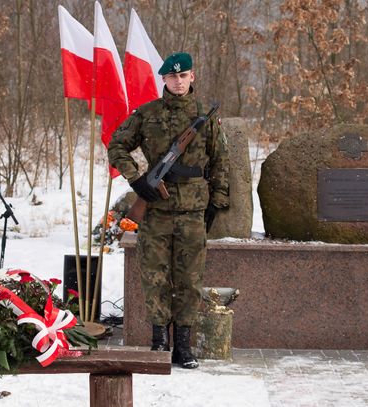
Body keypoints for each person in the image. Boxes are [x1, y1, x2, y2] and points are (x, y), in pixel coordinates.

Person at [108, 53, 230, 368]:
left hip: (192, 211)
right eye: (172, 77)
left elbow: (219, 161)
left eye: (184, 75)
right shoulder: (147, 114)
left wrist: (217, 201)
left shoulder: (206, 116)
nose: (178, 81)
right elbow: (116, 144)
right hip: (156, 210)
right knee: (155, 276)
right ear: (164, 79)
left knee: (189, 279)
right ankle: (159, 340)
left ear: (193, 77)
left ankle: (184, 347)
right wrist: (136, 180)